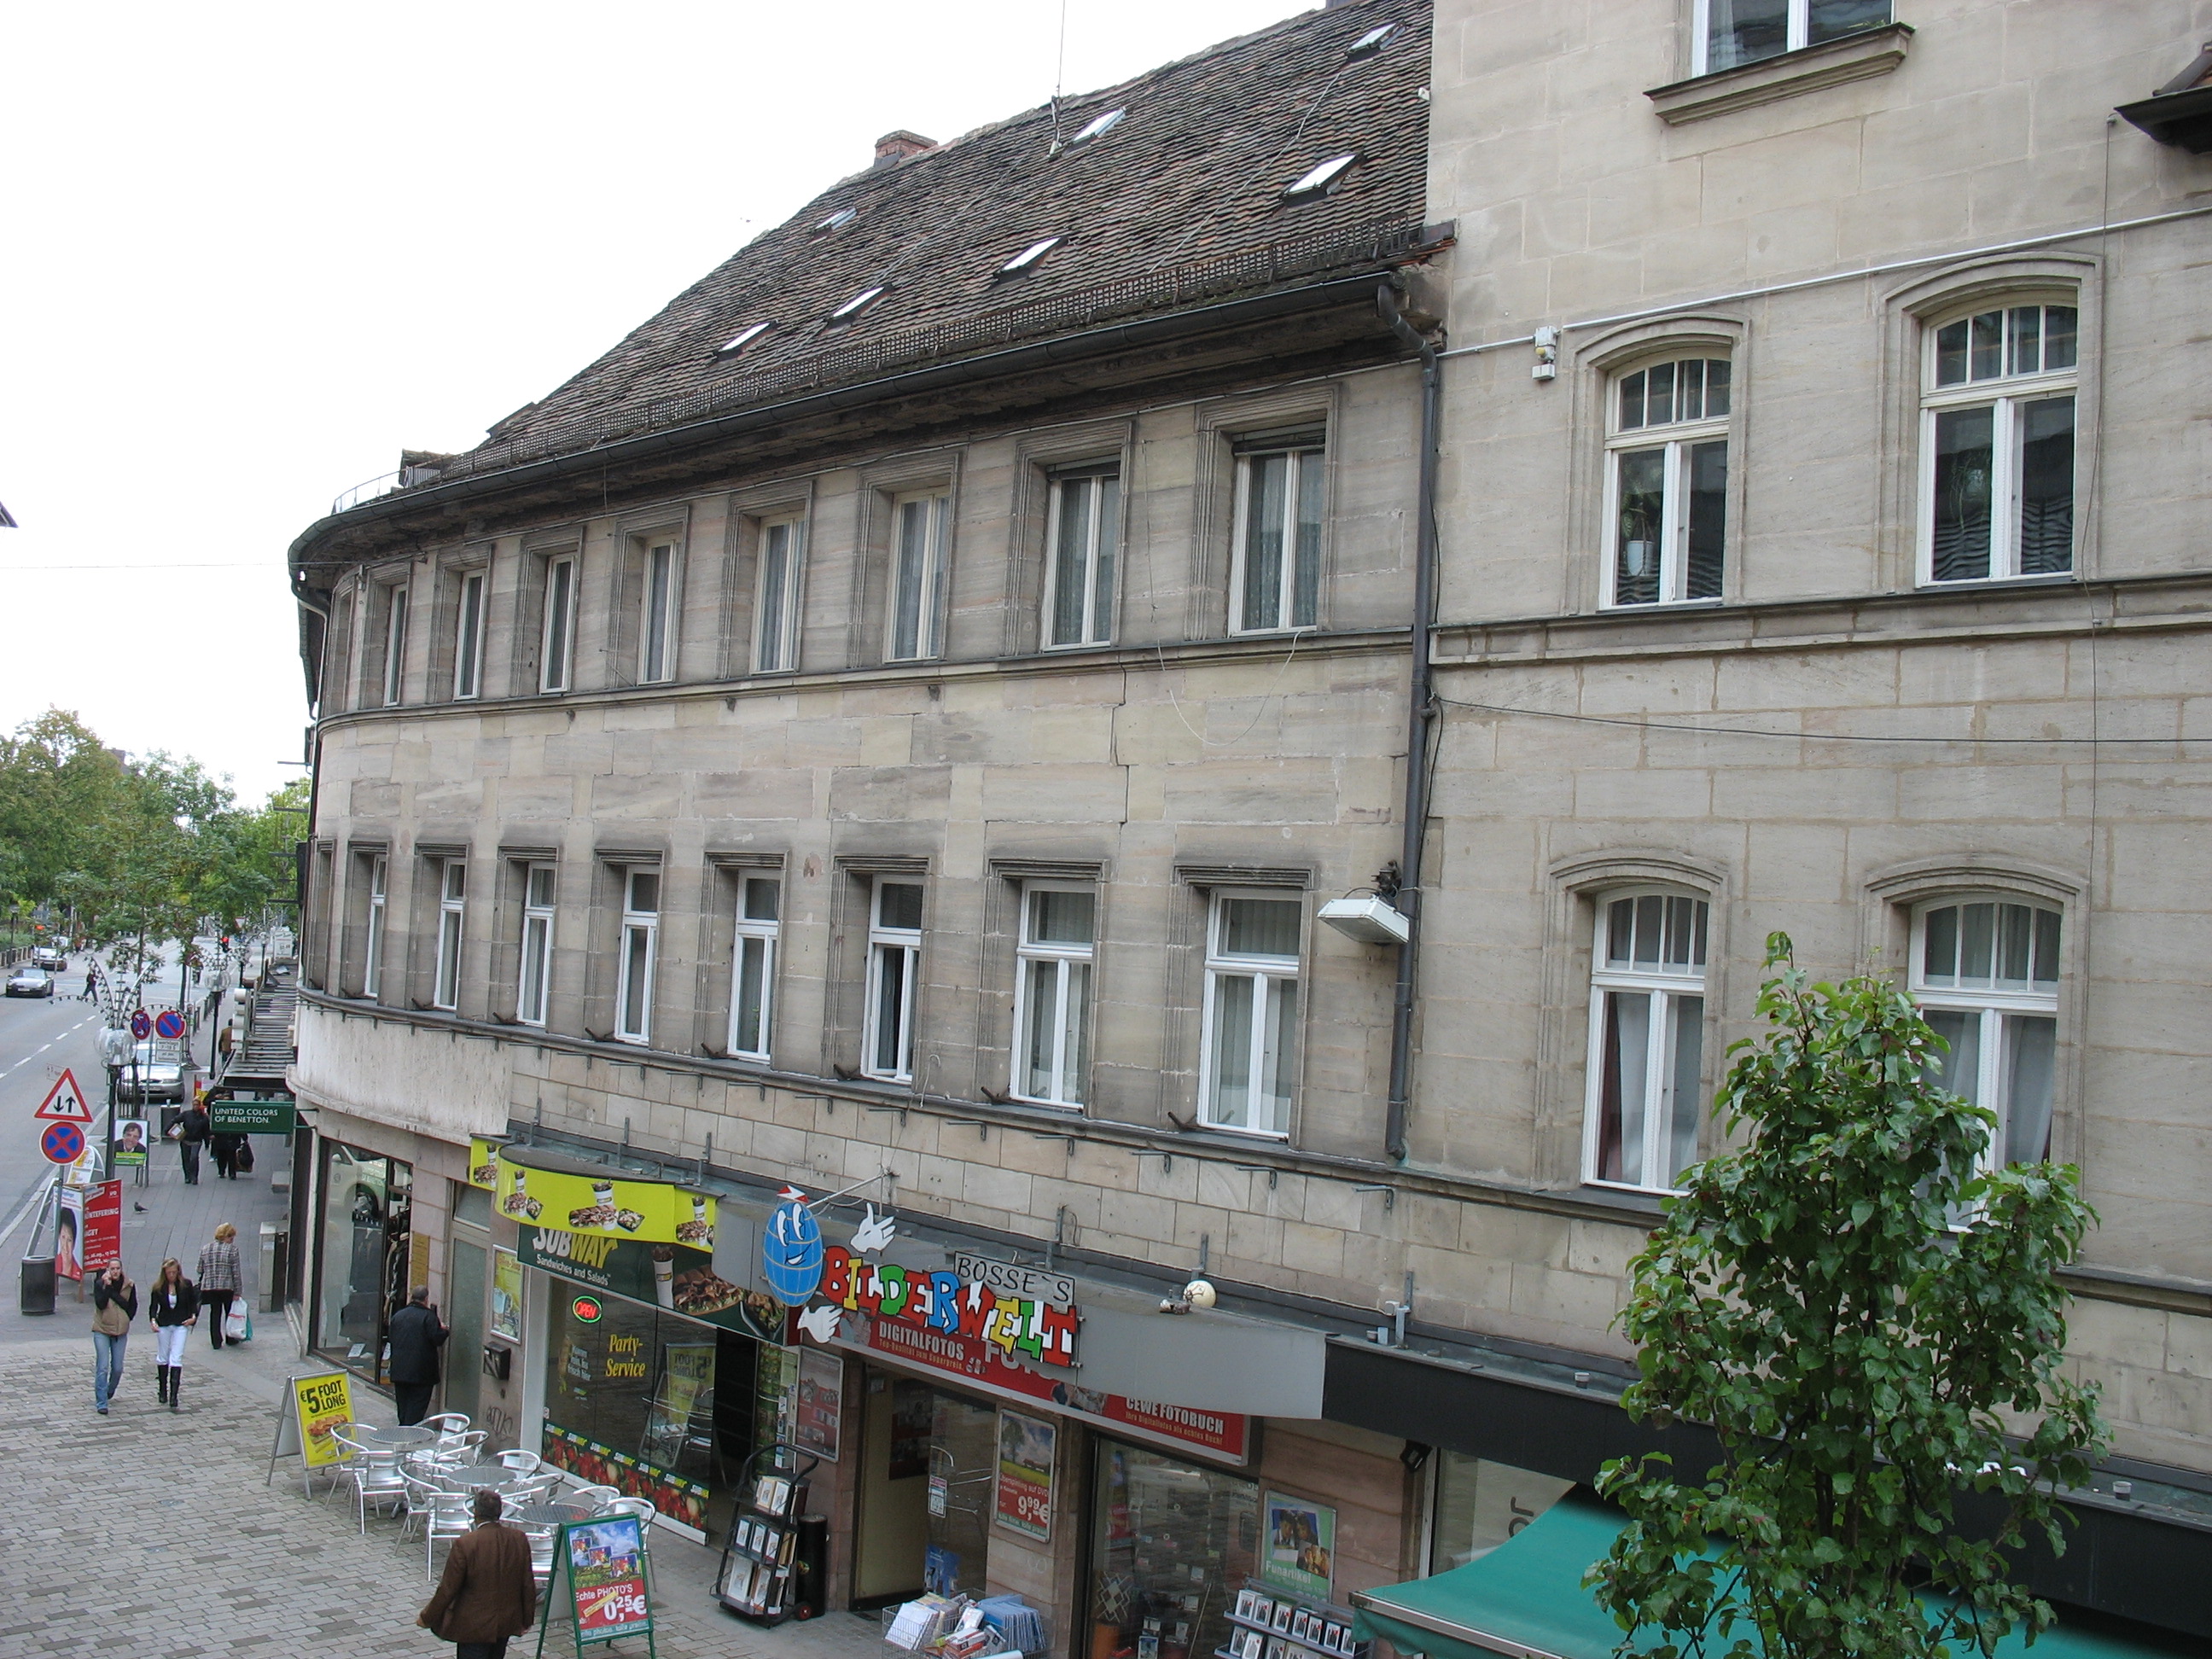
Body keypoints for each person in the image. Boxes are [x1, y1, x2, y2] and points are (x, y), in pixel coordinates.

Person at [417, 1487, 538, 1659]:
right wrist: (527, 1619)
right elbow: (527, 1583)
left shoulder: (466, 1544)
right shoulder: (518, 1538)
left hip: (473, 1626)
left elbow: (448, 1588)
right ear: (500, 1512)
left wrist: (427, 1617)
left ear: (475, 1512)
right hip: (505, 1622)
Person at [387, 1285, 450, 1427]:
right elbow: (437, 1339)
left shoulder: (398, 1316)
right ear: (426, 1299)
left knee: (403, 1406)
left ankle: (403, 1428)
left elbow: (392, 1338)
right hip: (421, 1372)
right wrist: (444, 1331)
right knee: (417, 1407)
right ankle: (410, 1432)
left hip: (400, 1369)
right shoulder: (428, 1317)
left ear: (411, 1297)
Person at [147, 1256, 199, 1410]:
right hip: (164, 1323)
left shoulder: (186, 1285)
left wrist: (193, 1317)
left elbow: (193, 1303)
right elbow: (153, 1307)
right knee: (163, 1356)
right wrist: (153, 1321)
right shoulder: (158, 1287)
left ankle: (174, 1396)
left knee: (177, 1356)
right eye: (169, 1273)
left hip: (180, 1323)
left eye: (174, 1272)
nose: (171, 1275)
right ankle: (163, 1390)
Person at [90, 1263, 136, 1415]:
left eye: (118, 1269)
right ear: (107, 1270)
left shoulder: (129, 1285)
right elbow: (101, 1304)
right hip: (102, 1330)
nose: (115, 1271)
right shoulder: (100, 1284)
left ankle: (110, 1390)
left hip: (120, 1332)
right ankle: (101, 1401)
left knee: (117, 1368)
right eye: (112, 1269)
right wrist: (107, 1286)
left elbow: (131, 1307)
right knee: (102, 1367)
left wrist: (126, 1319)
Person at [195, 1222, 242, 1351]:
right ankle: (230, 1338)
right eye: (231, 1237)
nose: (232, 1240)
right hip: (227, 1287)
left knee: (215, 1312)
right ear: (226, 1236)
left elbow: (199, 1269)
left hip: (210, 1287)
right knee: (229, 1312)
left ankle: (216, 1341)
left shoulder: (205, 1249)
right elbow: (236, 1273)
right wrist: (238, 1291)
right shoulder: (232, 1250)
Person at [174, 1097, 209, 1186]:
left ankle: (194, 1176)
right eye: (194, 1105)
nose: (195, 1106)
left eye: (197, 1105)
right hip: (185, 1140)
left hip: (197, 1141)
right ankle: (187, 1176)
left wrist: (207, 1142)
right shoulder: (187, 1114)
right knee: (186, 1159)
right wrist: (171, 1130)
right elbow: (175, 1120)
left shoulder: (204, 1118)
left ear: (199, 1106)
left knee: (194, 1157)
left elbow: (206, 1131)